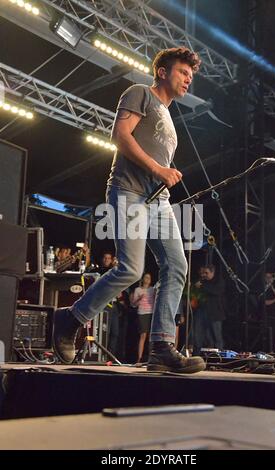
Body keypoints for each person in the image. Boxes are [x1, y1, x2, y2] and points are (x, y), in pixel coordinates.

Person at [53, 47, 205, 373]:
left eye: (191, 76)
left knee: (177, 265)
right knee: (131, 270)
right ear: (162, 72)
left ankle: (161, 347)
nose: (188, 79)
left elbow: (154, 154)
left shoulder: (168, 117)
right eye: (182, 72)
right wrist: (158, 170)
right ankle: (70, 319)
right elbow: (120, 136)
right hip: (129, 194)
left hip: (157, 202)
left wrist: (164, 173)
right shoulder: (141, 94)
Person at [132, 272, 155, 364]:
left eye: (149, 278)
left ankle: (151, 357)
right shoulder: (138, 290)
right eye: (146, 277)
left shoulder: (152, 289)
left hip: (151, 312)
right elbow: (133, 304)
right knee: (143, 335)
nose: (147, 279)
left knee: (151, 337)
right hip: (142, 313)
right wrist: (139, 299)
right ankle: (139, 357)